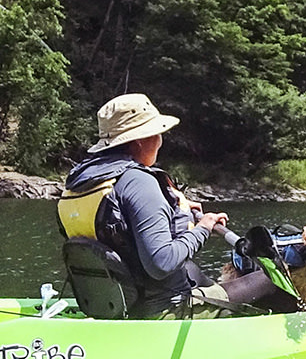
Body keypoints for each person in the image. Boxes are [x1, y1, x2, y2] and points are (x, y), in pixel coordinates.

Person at [59, 93, 282, 318]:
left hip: (115, 303)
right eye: (158, 133)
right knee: (271, 278)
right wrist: (203, 228)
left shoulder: (84, 182)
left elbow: (120, 230)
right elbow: (162, 263)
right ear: (141, 139)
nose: (160, 140)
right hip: (161, 310)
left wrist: (177, 212)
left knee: (192, 271)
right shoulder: (138, 182)